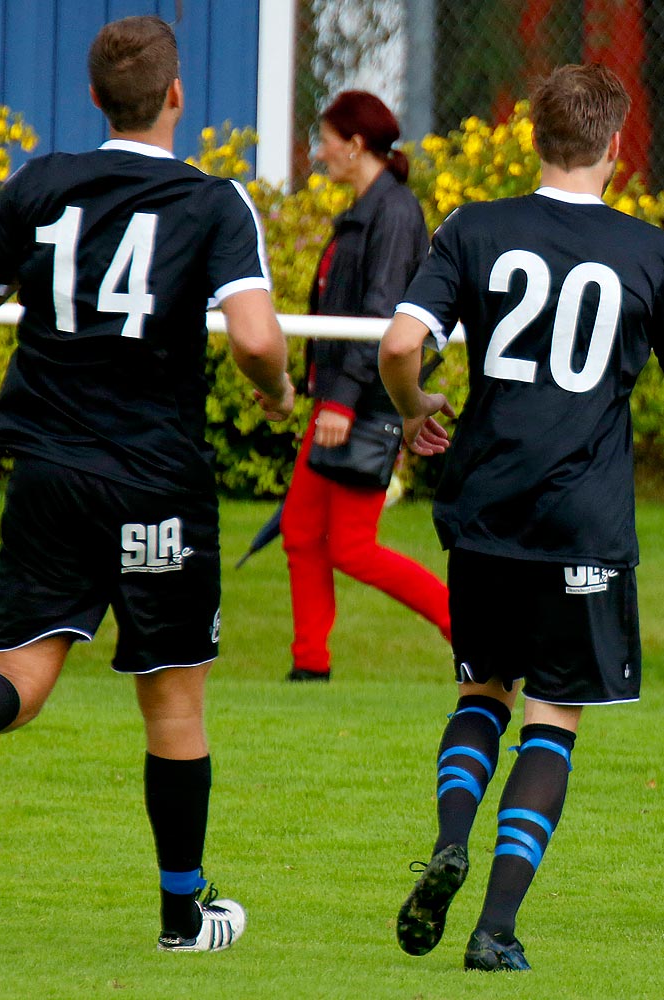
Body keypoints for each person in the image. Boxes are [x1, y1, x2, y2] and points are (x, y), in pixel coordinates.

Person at [0, 15, 294, 953]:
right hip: (156, 481)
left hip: (50, 474)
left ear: (93, 96)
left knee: (20, 681)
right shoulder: (213, 202)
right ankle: (181, 916)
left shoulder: (43, 183)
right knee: (174, 702)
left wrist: (28, 278)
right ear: (177, 96)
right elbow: (259, 338)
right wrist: (273, 391)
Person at [379, 62, 664, 972]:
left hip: (484, 507)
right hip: (582, 520)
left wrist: (416, 408)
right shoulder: (645, 251)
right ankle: (494, 928)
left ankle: (448, 840)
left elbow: (399, 344)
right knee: (554, 715)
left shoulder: (476, 228)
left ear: (534, 139)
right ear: (615, 144)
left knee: (480, 692)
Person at [281, 90, 450, 684]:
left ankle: (467, 629)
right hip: (339, 398)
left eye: (325, 140)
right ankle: (310, 667)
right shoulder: (366, 208)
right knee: (301, 532)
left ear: (355, 145)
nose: (319, 152)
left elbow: (381, 316)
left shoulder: (394, 212)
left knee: (351, 547)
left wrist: (341, 401)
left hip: (362, 402)